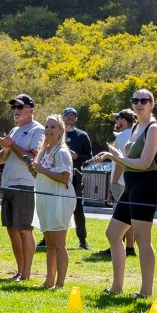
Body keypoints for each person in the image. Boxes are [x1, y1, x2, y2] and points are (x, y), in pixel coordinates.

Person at [92, 89, 157, 297]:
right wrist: (115, 154)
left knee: (142, 239)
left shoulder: (154, 128)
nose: (139, 103)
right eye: (135, 100)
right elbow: (130, 159)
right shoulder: (136, 128)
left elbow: (143, 163)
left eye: (144, 100)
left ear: (152, 104)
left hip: (147, 185)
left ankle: (146, 291)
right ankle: (117, 287)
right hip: (132, 184)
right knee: (113, 233)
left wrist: (114, 158)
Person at [0, 94, 44, 281]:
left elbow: (32, 159)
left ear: (31, 110)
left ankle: (26, 274)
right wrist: (5, 149)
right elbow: (0, 160)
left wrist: (12, 145)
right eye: (14, 107)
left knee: (24, 230)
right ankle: (19, 270)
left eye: (20, 107)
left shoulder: (37, 130)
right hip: (9, 184)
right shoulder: (14, 131)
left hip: (25, 185)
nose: (16, 110)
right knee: (12, 229)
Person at [27, 115, 76, 289]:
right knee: (49, 244)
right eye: (47, 127)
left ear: (61, 130)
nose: (49, 130)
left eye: (53, 127)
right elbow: (42, 174)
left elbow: (64, 178)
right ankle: (49, 280)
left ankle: (60, 283)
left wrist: (42, 170)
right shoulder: (44, 151)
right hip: (44, 199)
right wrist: (34, 171)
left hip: (59, 200)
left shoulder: (62, 152)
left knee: (59, 244)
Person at [98, 109, 137, 257]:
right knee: (129, 216)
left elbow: (120, 162)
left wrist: (113, 183)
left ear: (123, 120)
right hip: (131, 181)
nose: (116, 122)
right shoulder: (136, 133)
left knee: (120, 216)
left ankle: (119, 244)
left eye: (117, 119)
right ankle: (129, 247)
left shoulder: (121, 137)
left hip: (121, 182)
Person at [62, 107, 93, 250]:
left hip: (75, 176)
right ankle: (47, 238)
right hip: (57, 175)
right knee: (55, 206)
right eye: (67, 115)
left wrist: (77, 157)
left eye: (72, 116)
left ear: (76, 119)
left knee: (78, 209)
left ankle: (82, 241)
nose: (70, 117)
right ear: (62, 118)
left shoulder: (82, 135)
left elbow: (89, 157)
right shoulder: (57, 133)